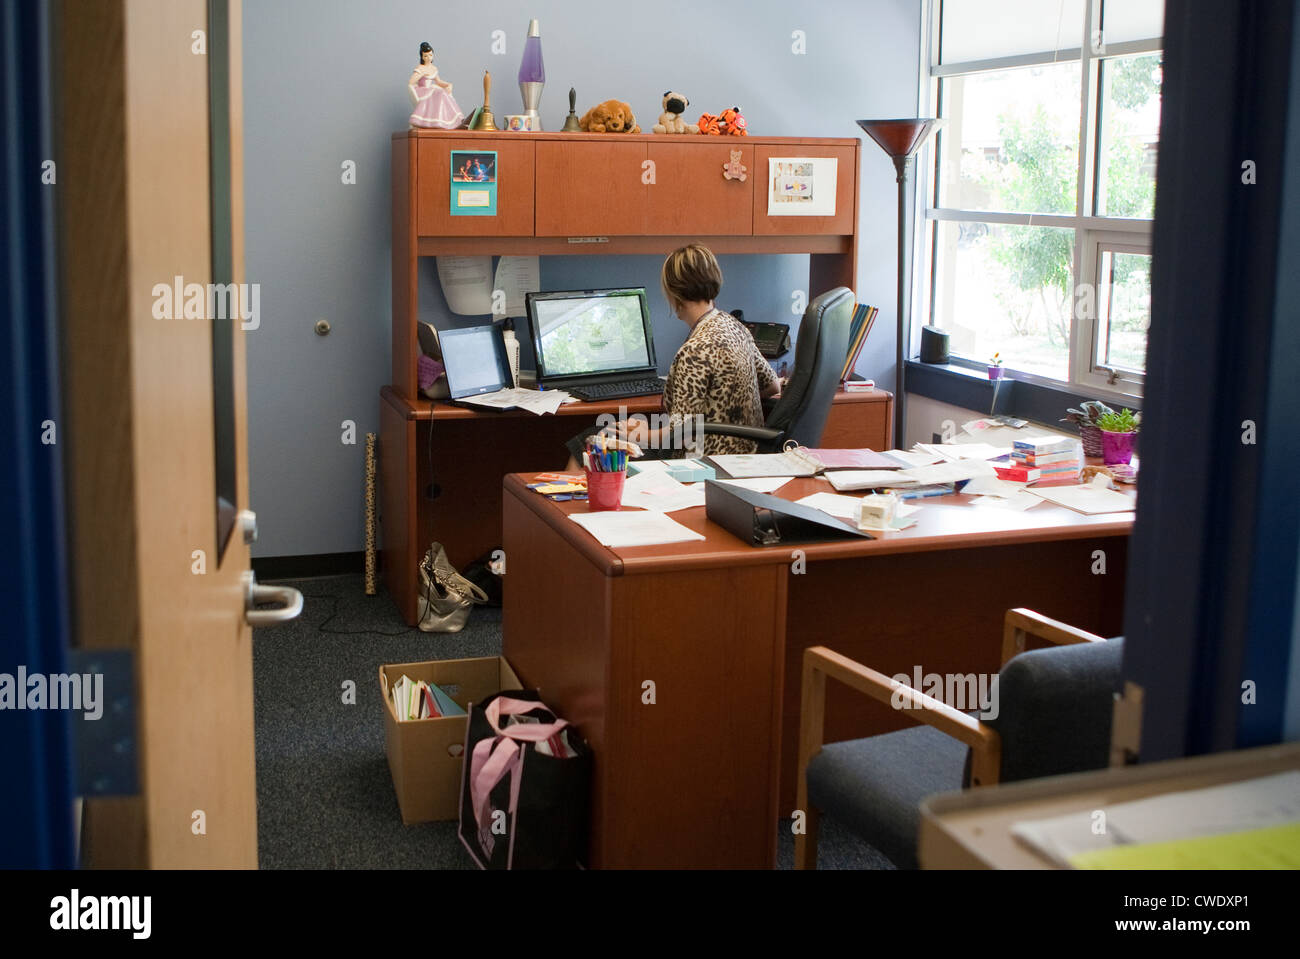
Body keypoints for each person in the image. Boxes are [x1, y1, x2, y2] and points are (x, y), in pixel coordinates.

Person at [564, 244, 780, 469]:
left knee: (590, 444)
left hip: (703, 460)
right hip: (747, 455)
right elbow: (773, 386)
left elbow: (679, 434)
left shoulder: (694, 351)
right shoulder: (734, 326)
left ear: (674, 293)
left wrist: (640, 434)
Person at [408, 42, 465, 130]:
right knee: (440, 92)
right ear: (422, 57)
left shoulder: (433, 68)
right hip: (423, 90)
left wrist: (448, 84)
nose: (428, 58)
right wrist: (421, 74)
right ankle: (425, 121)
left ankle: (448, 120)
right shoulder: (420, 68)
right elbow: (411, 82)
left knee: (443, 93)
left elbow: (438, 81)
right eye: (426, 56)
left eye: (430, 55)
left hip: (432, 89)